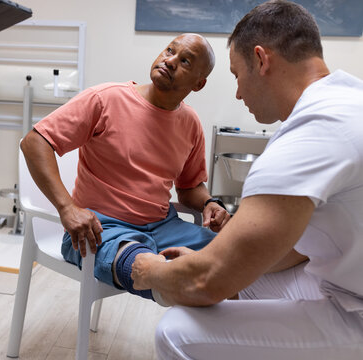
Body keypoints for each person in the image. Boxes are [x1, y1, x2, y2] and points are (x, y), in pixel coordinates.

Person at [131, 1, 363, 359]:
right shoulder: (349, 99)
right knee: (244, 287)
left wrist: (149, 271)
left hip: (354, 308)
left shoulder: (311, 134)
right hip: (343, 279)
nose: (238, 93)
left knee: (177, 332)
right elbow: (296, 247)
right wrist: (210, 256)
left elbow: (208, 282)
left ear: (261, 59)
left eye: (237, 75)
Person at [20, 33, 230, 304]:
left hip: (164, 226)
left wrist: (209, 203)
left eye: (185, 61)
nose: (170, 61)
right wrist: (67, 209)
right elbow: (34, 143)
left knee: (234, 255)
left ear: (198, 84)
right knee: (142, 264)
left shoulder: (190, 122)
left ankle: (179, 283)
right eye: (170, 50)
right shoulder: (105, 99)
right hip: (102, 227)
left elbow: (190, 187)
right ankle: (169, 282)